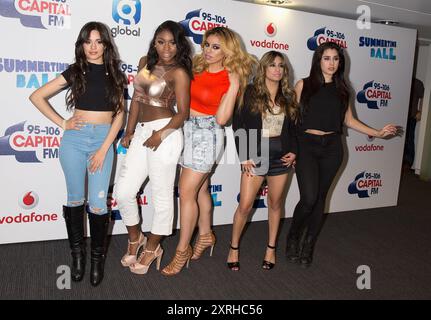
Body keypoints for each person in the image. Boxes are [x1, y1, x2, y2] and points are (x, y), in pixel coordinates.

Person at [29, 22, 127, 286]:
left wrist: (104, 148)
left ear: (106, 45)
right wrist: (63, 123)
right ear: (81, 44)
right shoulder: (76, 71)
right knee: (74, 200)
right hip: (74, 140)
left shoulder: (116, 75)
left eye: (99, 41)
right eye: (88, 41)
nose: (93, 47)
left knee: (97, 204)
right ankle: (78, 258)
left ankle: (97, 260)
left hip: (102, 142)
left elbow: (120, 116)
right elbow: (37, 96)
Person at [285, 42, 399, 267]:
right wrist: (291, 148)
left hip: (332, 148)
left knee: (320, 199)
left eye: (335, 59)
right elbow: (291, 120)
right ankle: (293, 236)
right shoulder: (303, 85)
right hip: (306, 145)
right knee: (308, 198)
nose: (331, 63)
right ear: (318, 60)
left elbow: (349, 120)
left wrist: (377, 133)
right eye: (326, 58)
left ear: (340, 62)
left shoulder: (343, 90)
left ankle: (308, 245)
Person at [161, 27, 256, 276]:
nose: (209, 51)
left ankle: (182, 251)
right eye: (207, 45)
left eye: (216, 47)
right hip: (187, 130)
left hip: (207, 134)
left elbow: (223, 119)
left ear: (228, 50)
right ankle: (205, 235)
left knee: (186, 191)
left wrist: (234, 85)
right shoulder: (196, 68)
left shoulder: (230, 77)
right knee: (201, 188)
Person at [113, 20, 192, 275]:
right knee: (124, 192)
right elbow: (136, 98)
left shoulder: (179, 72)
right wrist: (129, 130)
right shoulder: (145, 62)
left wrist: (161, 134)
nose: (166, 47)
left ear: (179, 44)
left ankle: (153, 248)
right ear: (154, 42)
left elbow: (183, 114)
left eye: (172, 42)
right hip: (142, 132)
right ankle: (136, 239)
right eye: (161, 41)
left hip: (166, 133)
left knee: (161, 195)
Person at [227, 51, 299, 271]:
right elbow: (237, 123)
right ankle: (233, 247)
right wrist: (244, 154)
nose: (277, 69)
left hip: (280, 157)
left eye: (281, 66)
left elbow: (296, 127)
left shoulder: (288, 96)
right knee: (245, 205)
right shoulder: (249, 92)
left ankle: (270, 248)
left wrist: (294, 150)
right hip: (255, 154)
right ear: (264, 69)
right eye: (272, 65)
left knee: (276, 204)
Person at [403, 78, 424, 170]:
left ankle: (408, 163)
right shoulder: (400, 78)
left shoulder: (417, 82)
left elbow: (424, 97)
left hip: (411, 115)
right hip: (398, 116)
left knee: (409, 138)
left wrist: (421, 111)